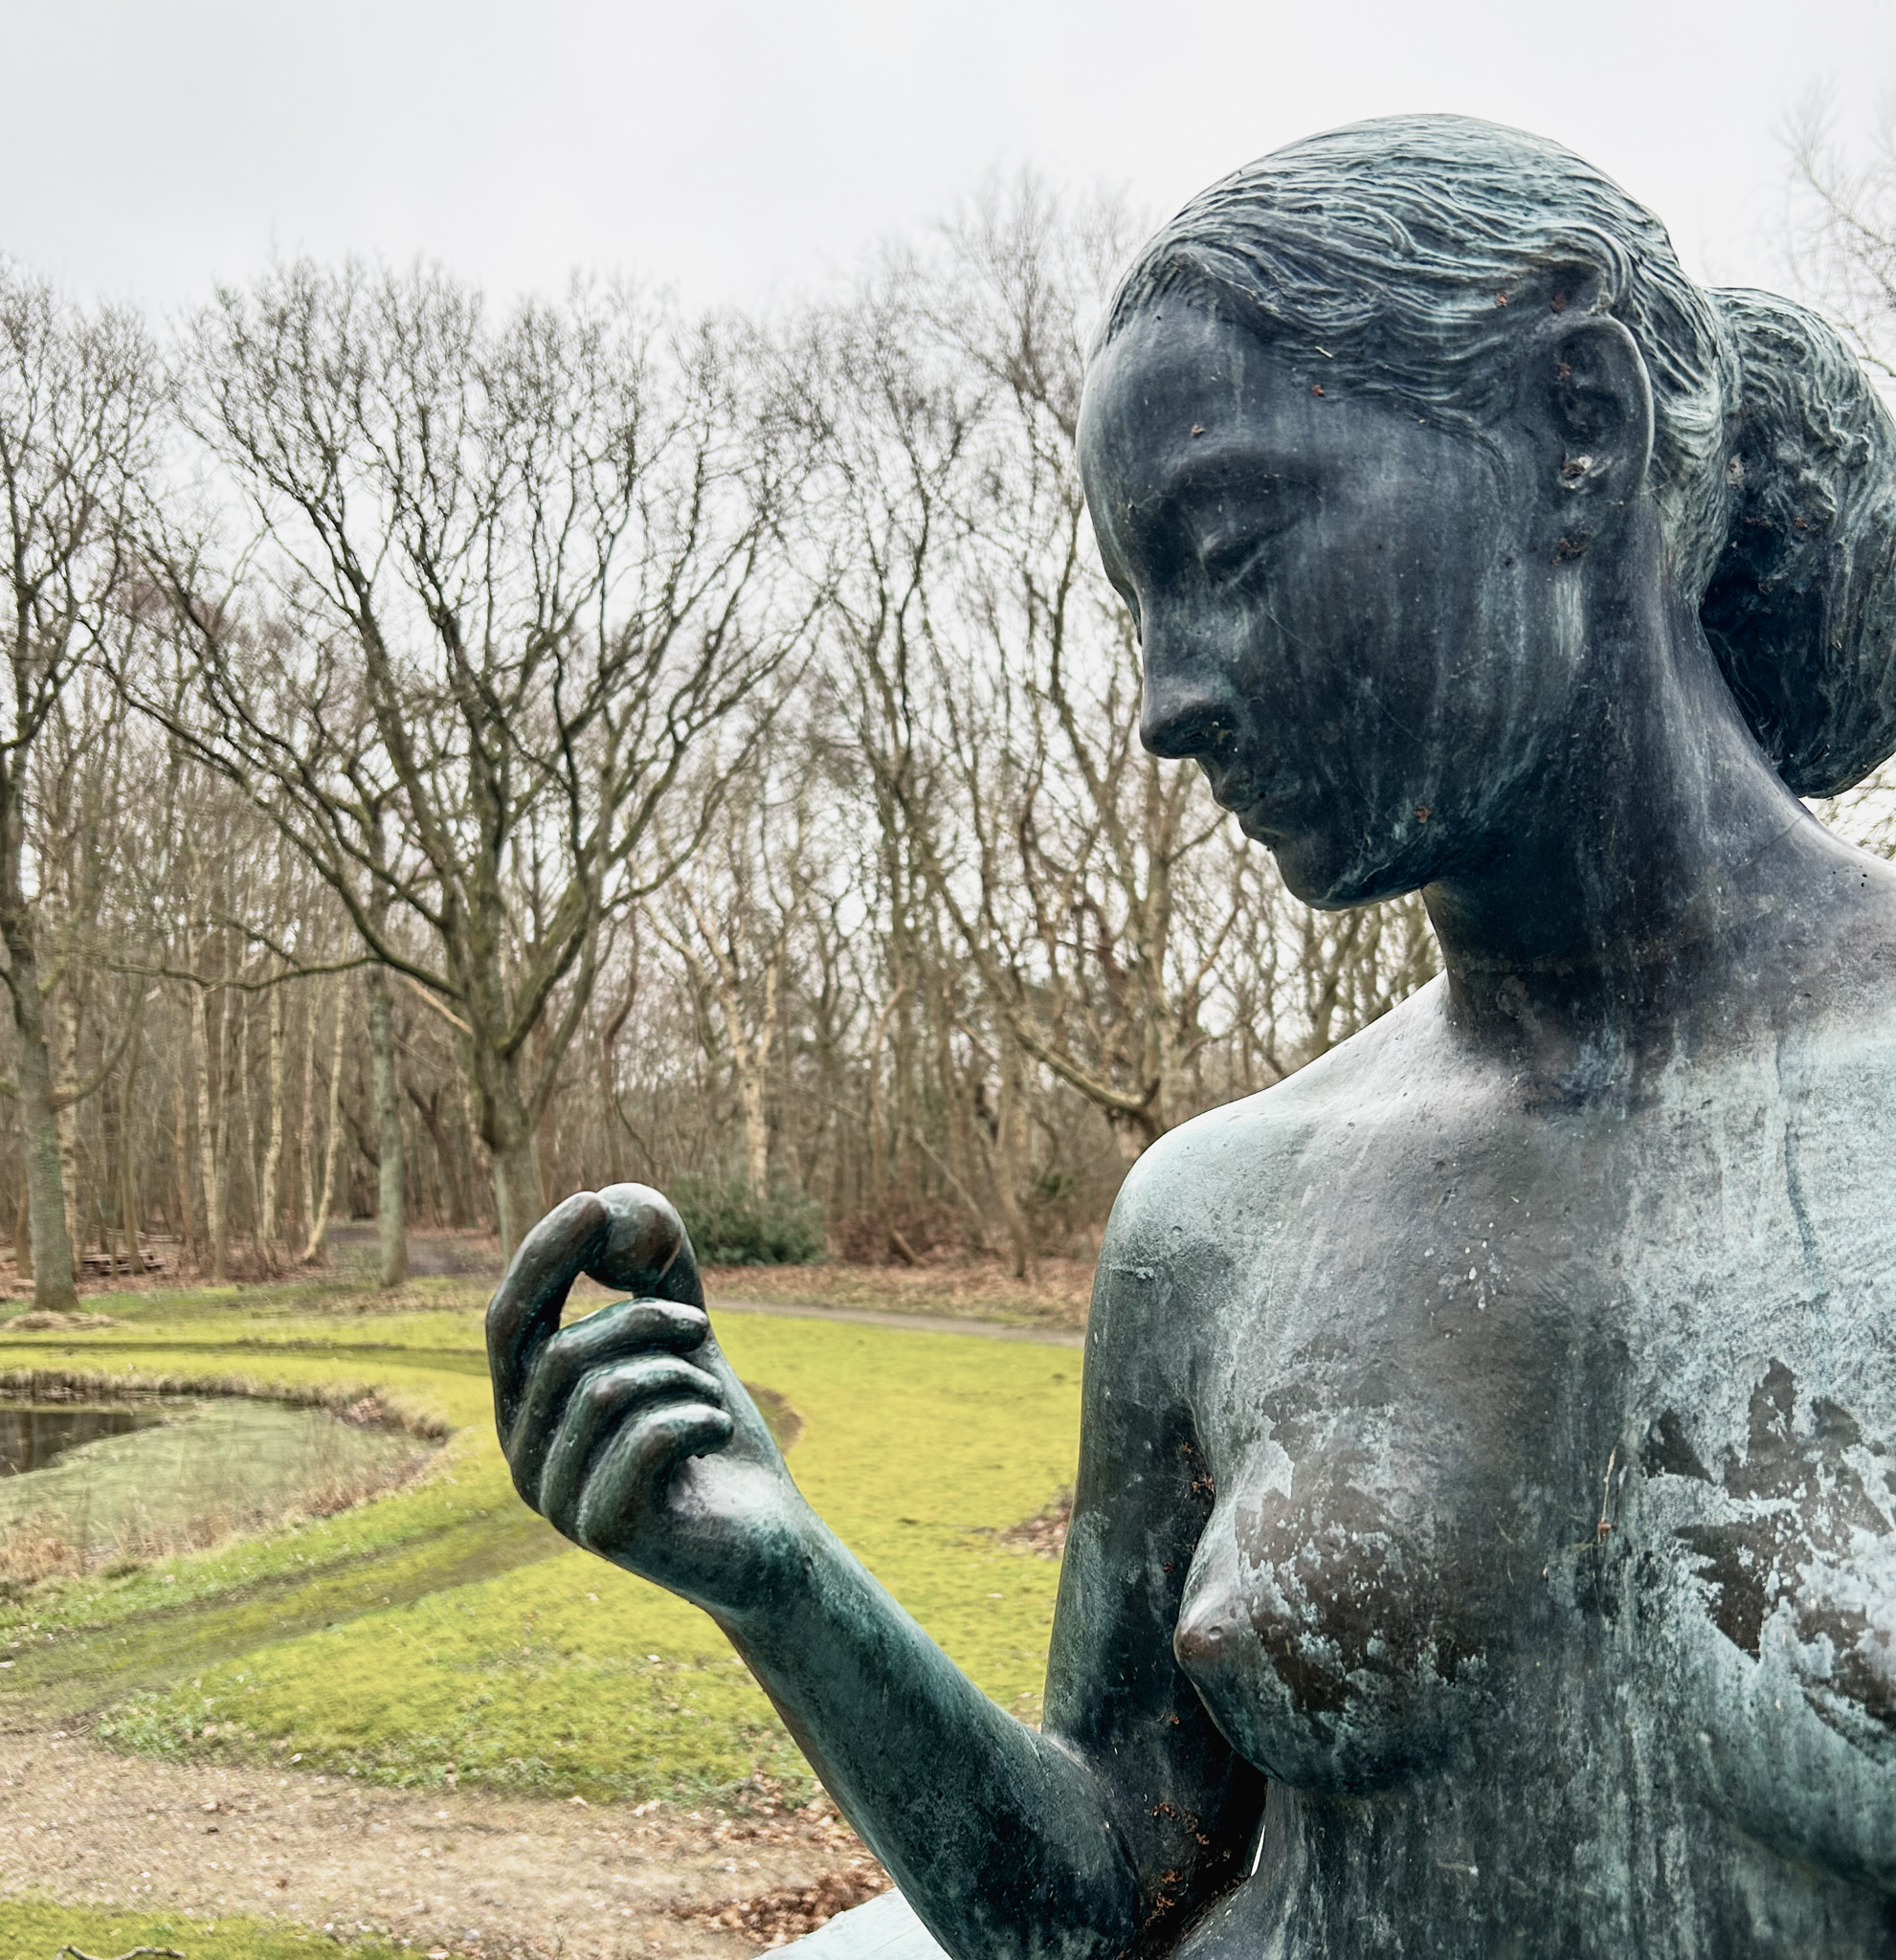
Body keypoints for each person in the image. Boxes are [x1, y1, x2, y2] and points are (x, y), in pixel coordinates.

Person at [485, 116, 1896, 1956]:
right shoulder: (1221, 1218)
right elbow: (1102, 1906)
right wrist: (779, 1580)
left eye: (1228, 549)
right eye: (1137, 605)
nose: (1165, 705)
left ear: (1582, 424)